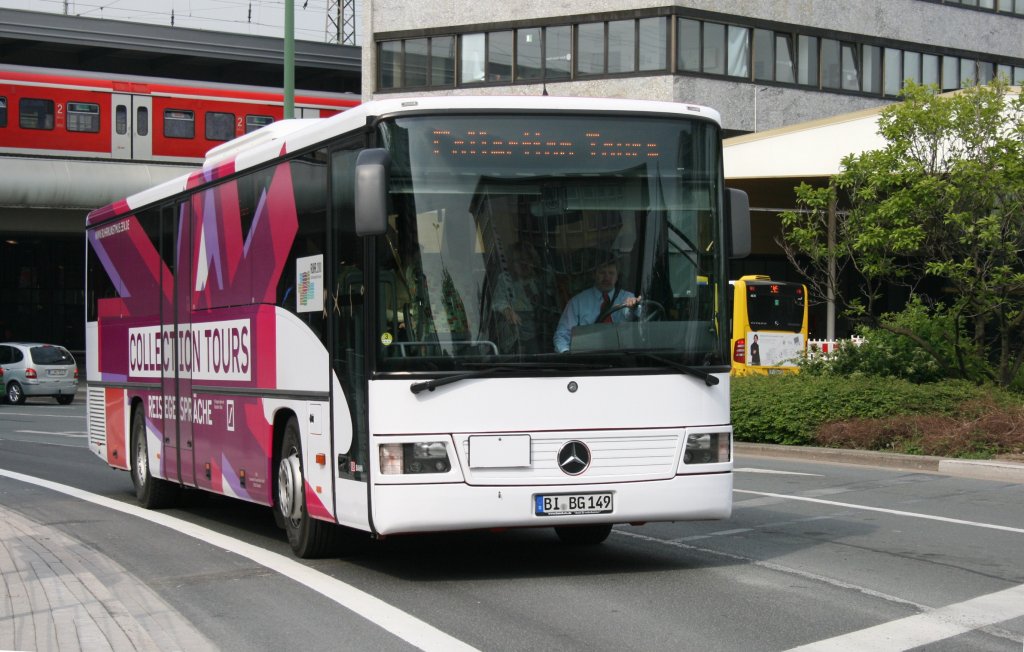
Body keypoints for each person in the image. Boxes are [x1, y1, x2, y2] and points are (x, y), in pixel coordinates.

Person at [553, 258, 641, 353]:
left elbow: (639, 321)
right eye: (602, 272)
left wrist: (634, 308)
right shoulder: (577, 302)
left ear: (617, 277)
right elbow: (562, 334)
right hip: (587, 360)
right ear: (594, 275)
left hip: (622, 359)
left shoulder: (628, 298)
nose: (606, 277)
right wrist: (566, 354)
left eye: (611, 273)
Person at [492, 242, 543, 354]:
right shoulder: (505, 280)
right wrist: (508, 311)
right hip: (515, 332)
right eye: (518, 261)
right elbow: (498, 301)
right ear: (511, 263)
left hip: (539, 331)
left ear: (533, 261)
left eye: (526, 260)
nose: (523, 264)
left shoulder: (541, 279)